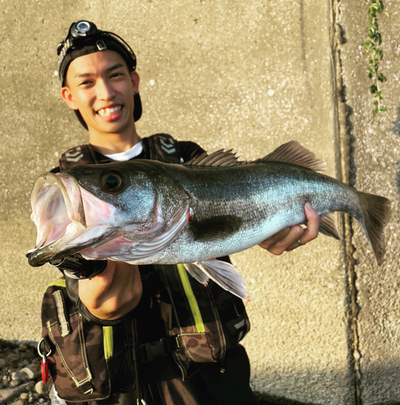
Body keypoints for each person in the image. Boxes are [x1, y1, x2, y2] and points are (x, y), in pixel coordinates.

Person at [49, 20, 319, 405]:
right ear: (69, 96)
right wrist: (95, 299)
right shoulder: (68, 186)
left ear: (134, 80)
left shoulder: (190, 159)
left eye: (115, 75)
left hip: (209, 378)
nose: (106, 92)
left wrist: (270, 229)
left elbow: (234, 221)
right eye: (87, 82)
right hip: (119, 384)